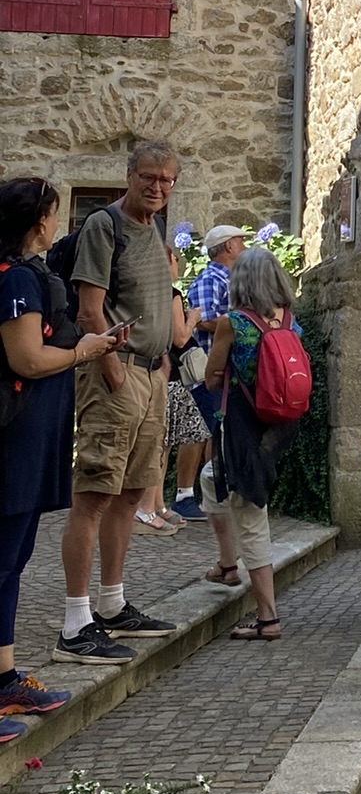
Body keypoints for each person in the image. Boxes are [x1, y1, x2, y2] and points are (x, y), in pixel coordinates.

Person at [0, 179, 120, 724]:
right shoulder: (16, 278)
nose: (56, 224)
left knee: (12, 562)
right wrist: (83, 351)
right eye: (52, 214)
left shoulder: (28, 274)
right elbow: (26, 358)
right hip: (14, 442)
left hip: (32, 438)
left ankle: (5, 678)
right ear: (37, 222)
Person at [56, 141, 180, 664]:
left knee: (130, 493)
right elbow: (90, 310)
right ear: (129, 175)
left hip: (149, 377)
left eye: (166, 179)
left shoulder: (153, 228)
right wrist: (112, 371)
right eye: (148, 176)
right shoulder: (104, 226)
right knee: (94, 494)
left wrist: (161, 366)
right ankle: (75, 623)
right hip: (117, 374)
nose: (156, 186)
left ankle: (111, 603)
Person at [199, 248, 307, 641]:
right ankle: (228, 564)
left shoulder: (234, 323)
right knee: (211, 479)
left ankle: (267, 618)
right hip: (281, 425)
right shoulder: (291, 321)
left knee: (250, 514)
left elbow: (212, 377)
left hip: (244, 427)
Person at [175, 223, 245, 521]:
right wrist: (239, 322)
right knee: (198, 430)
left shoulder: (228, 279)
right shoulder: (210, 279)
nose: (244, 248)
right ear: (228, 246)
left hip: (222, 369)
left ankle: (210, 494)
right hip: (207, 369)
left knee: (213, 432)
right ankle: (183, 496)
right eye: (241, 243)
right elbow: (201, 320)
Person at [138, 257, 205, 535]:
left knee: (162, 444)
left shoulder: (145, 291)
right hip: (169, 376)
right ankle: (147, 507)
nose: (178, 263)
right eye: (175, 259)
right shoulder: (171, 293)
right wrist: (193, 319)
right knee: (160, 445)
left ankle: (157, 504)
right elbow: (180, 338)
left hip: (156, 373)